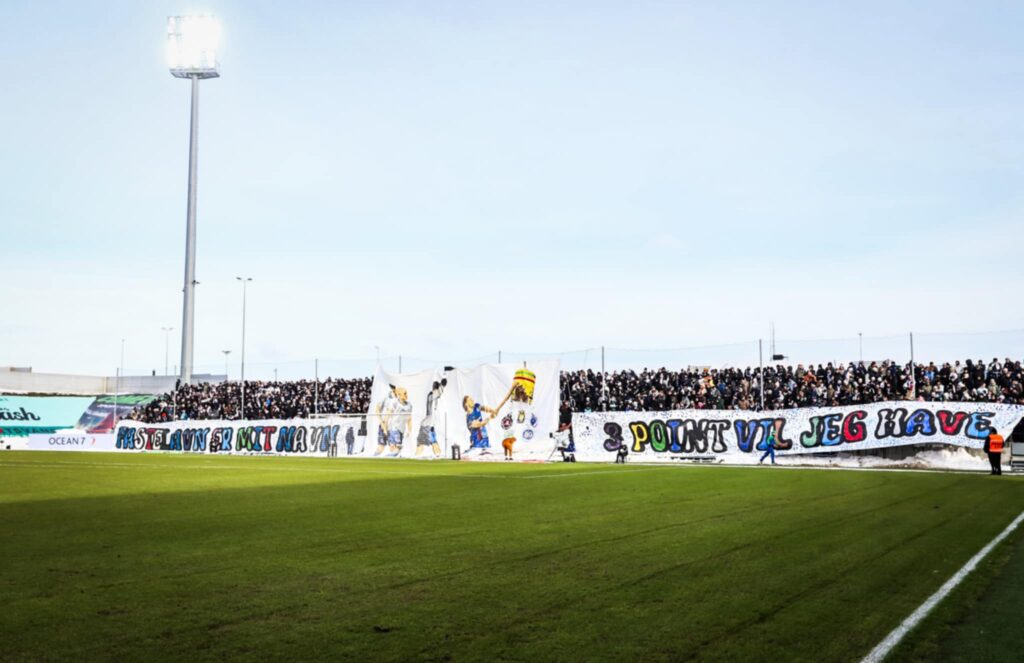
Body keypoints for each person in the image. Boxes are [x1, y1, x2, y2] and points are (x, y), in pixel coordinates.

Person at [416, 379, 447, 457]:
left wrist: (442, 386)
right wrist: (442, 386)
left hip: (427, 425)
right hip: (428, 424)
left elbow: (439, 393)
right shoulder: (430, 396)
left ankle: (437, 455)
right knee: (432, 442)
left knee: (422, 443)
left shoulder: (435, 397)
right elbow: (438, 393)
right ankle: (437, 454)